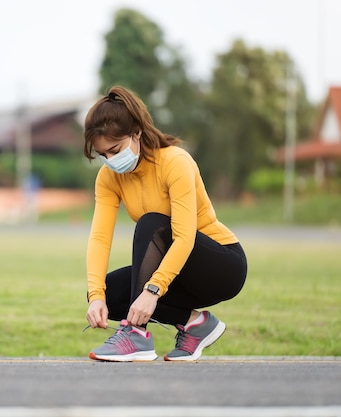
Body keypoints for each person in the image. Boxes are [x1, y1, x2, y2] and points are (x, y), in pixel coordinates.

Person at [83, 86, 247, 362]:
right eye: (103, 155)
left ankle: (136, 334)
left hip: (220, 266)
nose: (110, 161)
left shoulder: (175, 162)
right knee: (110, 293)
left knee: (152, 224)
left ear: (136, 132)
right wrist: (95, 296)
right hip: (176, 271)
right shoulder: (108, 178)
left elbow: (183, 237)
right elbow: (100, 238)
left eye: (115, 150)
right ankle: (196, 324)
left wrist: (152, 290)